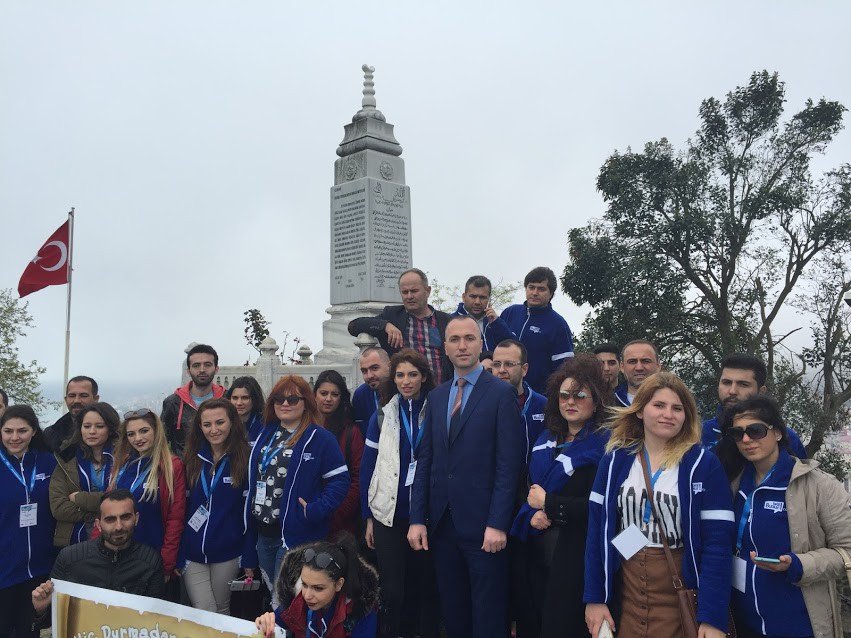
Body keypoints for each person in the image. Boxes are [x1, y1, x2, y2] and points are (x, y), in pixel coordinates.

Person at [584, 371, 734, 638]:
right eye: (659, 405)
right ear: (640, 411)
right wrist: (596, 598)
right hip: (628, 594)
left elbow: (717, 545)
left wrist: (713, 618)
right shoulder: (616, 459)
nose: (668, 414)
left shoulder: (701, 464)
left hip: (680, 597)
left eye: (678, 408)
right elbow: (599, 532)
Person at [408, 316, 525, 638]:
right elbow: (426, 461)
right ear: (444, 347)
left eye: (469, 338)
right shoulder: (436, 397)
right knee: (454, 613)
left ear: (479, 344)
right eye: (455, 339)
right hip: (443, 526)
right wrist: (418, 518)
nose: (462, 345)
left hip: (485, 528)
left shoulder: (500, 394)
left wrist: (498, 523)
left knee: (488, 617)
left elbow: (508, 465)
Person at [715, 396, 851, 638]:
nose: (746, 439)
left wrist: (799, 565)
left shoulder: (819, 486)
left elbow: (847, 551)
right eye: (738, 434)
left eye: (755, 431)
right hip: (743, 622)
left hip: (797, 623)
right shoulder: (734, 485)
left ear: (777, 432)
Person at [510, 354, 609, 638]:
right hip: (535, 554)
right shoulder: (544, 441)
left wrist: (550, 506)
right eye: (564, 395)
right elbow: (529, 493)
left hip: (576, 559)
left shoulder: (607, 447)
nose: (570, 402)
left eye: (580, 396)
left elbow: (604, 509)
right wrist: (531, 516)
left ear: (597, 400)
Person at [245, 375, 350, 601]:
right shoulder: (266, 434)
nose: (285, 404)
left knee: (288, 599)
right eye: (278, 399)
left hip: (297, 534)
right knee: (274, 594)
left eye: (293, 399)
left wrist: (315, 509)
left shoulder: (319, 437)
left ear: (306, 403)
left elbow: (340, 481)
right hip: (264, 532)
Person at [361, 349, 440, 638]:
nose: (406, 381)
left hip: (425, 516)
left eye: (412, 374)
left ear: (424, 377)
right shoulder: (381, 416)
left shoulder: (435, 410)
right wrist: (368, 516)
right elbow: (368, 468)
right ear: (392, 379)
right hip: (387, 516)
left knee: (423, 586)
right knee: (393, 590)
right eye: (400, 375)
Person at [31, 490, 164, 619]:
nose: (119, 526)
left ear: (136, 518)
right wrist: (40, 609)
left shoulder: (150, 561)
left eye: (125, 517)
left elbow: (156, 619)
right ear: (98, 524)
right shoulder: (69, 558)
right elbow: (54, 618)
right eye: (110, 519)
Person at [180, 398, 256, 614]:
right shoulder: (192, 458)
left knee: (221, 609)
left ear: (232, 422)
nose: (214, 430)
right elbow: (182, 507)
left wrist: (248, 554)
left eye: (220, 422)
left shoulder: (245, 458)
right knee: (204, 609)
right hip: (192, 553)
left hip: (228, 552)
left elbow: (249, 513)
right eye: (207, 424)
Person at [110, 408, 186, 584]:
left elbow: (175, 518)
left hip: (152, 555)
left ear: (156, 431)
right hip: (118, 552)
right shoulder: (123, 464)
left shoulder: (171, 465)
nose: (138, 438)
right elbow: (106, 508)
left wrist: (167, 562)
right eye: (131, 434)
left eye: (144, 431)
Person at [0, 405, 56, 638]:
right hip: (4, 568)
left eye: (22, 430)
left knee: (30, 631)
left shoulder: (48, 462)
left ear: (34, 431)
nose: (14, 437)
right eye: (7, 431)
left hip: (40, 570)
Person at [255, 537, 378, 638]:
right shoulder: (295, 599)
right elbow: (275, 623)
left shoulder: (360, 612)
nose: (307, 596)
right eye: (304, 584)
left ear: (339, 584)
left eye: (318, 588)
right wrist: (266, 623)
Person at [348, 269, 452, 384]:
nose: (409, 296)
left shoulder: (446, 321)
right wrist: (385, 325)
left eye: (414, 291)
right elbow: (354, 326)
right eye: (405, 292)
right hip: (404, 391)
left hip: (440, 390)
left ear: (428, 291)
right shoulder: (393, 315)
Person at [702, 354, 807, 457]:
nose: (732, 391)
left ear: (761, 391)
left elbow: (802, 473)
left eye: (743, 384)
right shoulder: (698, 433)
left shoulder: (784, 437)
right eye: (726, 382)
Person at [49, 402, 120, 547]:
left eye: (99, 426)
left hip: (118, 537)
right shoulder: (66, 459)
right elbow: (59, 508)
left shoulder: (124, 459)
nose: (92, 431)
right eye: (87, 426)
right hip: (75, 540)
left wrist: (80, 498)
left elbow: (125, 501)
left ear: (110, 429)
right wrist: (99, 515)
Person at [499, 266, 575, 394]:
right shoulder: (510, 312)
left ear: (551, 294)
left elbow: (565, 369)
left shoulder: (558, 324)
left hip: (537, 397)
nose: (534, 293)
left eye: (541, 289)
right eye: (531, 287)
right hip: (502, 391)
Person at [314, 370, 364, 537]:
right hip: (307, 520)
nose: (328, 399)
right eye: (323, 393)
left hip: (340, 524)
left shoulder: (351, 432)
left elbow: (358, 478)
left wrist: (337, 513)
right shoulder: (304, 429)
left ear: (341, 398)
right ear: (314, 396)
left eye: (334, 394)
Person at [161, 344, 225, 455]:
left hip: (221, 467)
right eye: (196, 365)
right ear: (188, 370)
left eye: (207, 365)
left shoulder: (227, 399)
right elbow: (161, 440)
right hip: (185, 469)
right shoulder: (173, 403)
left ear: (216, 368)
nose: (202, 370)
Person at [492, 338, 547, 463]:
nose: (501, 370)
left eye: (509, 364)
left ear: (524, 369)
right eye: (496, 364)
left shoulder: (543, 406)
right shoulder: (480, 405)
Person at [451, 275, 514, 352]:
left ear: (489, 299)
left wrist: (497, 323)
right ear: (464, 297)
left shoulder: (495, 322)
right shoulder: (450, 321)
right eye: (473, 296)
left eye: (482, 297)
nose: (477, 302)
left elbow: (513, 347)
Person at [43, 375, 100, 452]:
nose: (77, 400)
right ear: (66, 399)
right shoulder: (51, 434)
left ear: (96, 399)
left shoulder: (112, 433)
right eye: (72, 396)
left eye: (83, 396)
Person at [352, 347, 391, 437]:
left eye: (374, 368)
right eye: (364, 371)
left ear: (390, 366)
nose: (369, 376)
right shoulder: (360, 395)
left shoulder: (403, 389)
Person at [613, 339, 662, 406]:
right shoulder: (606, 404)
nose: (639, 368)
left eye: (646, 361)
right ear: (622, 367)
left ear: (658, 365)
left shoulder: (675, 399)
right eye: (632, 361)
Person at [227, 376, 267, 445]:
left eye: (245, 398)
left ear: (255, 399)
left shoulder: (265, 423)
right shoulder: (224, 421)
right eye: (235, 398)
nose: (239, 403)